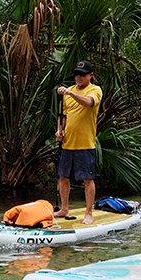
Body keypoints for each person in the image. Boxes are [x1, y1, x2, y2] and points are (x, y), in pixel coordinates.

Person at [54, 60, 102, 224]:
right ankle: (64, 209)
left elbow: (88, 102)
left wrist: (70, 93)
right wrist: (59, 131)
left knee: (87, 179)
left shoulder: (95, 90)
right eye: (76, 74)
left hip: (85, 144)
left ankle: (88, 213)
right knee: (63, 177)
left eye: (82, 74)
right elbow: (63, 116)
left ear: (90, 75)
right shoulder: (68, 93)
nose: (78, 77)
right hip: (68, 143)